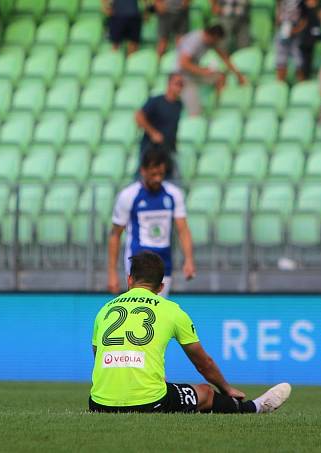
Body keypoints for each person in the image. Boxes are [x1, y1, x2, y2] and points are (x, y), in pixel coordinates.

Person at [91, 251, 292, 414]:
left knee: (163, 387)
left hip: (98, 403)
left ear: (129, 279)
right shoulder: (172, 310)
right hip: (147, 402)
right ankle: (254, 408)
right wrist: (227, 389)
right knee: (205, 392)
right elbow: (204, 364)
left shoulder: (104, 310)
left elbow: (98, 355)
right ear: (161, 287)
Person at [107, 148, 195, 298]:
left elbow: (183, 229)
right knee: (139, 309)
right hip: (138, 263)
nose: (157, 179)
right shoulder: (129, 196)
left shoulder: (173, 194)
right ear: (143, 171)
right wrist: (112, 273)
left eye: (161, 174)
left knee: (158, 310)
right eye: (153, 174)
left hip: (163, 262)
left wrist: (189, 259)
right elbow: (115, 235)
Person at [174, 24, 246, 115]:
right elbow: (183, 63)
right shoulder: (194, 40)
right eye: (216, 40)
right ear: (212, 36)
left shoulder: (211, 40)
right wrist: (203, 71)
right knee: (196, 113)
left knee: (220, 77)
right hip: (182, 76)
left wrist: (238, 75)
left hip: (195, 73)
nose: (216, 43)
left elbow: (224, 57)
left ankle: (218, 107)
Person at [135, 72, 184, 174]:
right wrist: (153, 132)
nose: (179, 88)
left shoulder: (179, 105)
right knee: (144, 177)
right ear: (169, 84)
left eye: (182, 85)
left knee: (173, 179)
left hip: (169, 149)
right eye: (177, 84)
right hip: (151, 148)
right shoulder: (156, 101)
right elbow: (139, 116)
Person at [275, 0, 307, 82]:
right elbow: (278, 15)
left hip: (296, 37)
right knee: (281, 63)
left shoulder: (301, 2)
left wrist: (295, 30)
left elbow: (305, 20)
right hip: (282, 35)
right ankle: (280, 88)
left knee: (299, 64)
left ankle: (301, 88)